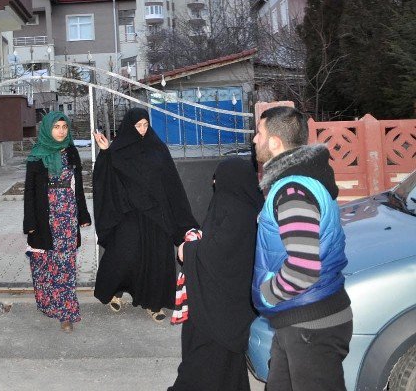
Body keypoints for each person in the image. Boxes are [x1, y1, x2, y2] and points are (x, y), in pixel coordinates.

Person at [253, 106, 351, 391]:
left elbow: (303, 269)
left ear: (275, 142)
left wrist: (267, 293)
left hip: (311, 324)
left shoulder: (293, 191)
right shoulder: (301, 182)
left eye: (259, 133)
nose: (254, 140)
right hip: (299, 319)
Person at [92, 107, 198, 321]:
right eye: (137, 126)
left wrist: (178, 217)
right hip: (129, 213)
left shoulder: (157, 147)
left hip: (156, 214)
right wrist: (105, 153)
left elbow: (171, 182)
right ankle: (114, 291)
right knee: (123, 254)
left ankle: (154, 303)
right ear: (129, 126)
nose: (141, 130)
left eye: (145, 125)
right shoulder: (119, 150)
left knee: (156, 257)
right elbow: (108, 178)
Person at [168, 157, 263, 391]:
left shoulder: (233, 211)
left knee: (199, 369)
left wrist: (187, 250)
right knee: (227, 370)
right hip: (232, 311)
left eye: (217, 177)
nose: (213, 181)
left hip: (216, 316)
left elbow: (217, 254)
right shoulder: (247, 208)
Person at [23, 111, 92, 332]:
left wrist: (83, 214)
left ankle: (66, 312)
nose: (61, 131)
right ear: (47, 129)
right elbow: (30, 192)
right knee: (45, 263)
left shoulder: (71, 151)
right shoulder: (37, 155)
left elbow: (78, 186)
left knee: (66, 263)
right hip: (45, 214)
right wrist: (30, 223)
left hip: (67, 214)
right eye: (57, 127)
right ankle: (48, 303)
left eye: (64, 127)